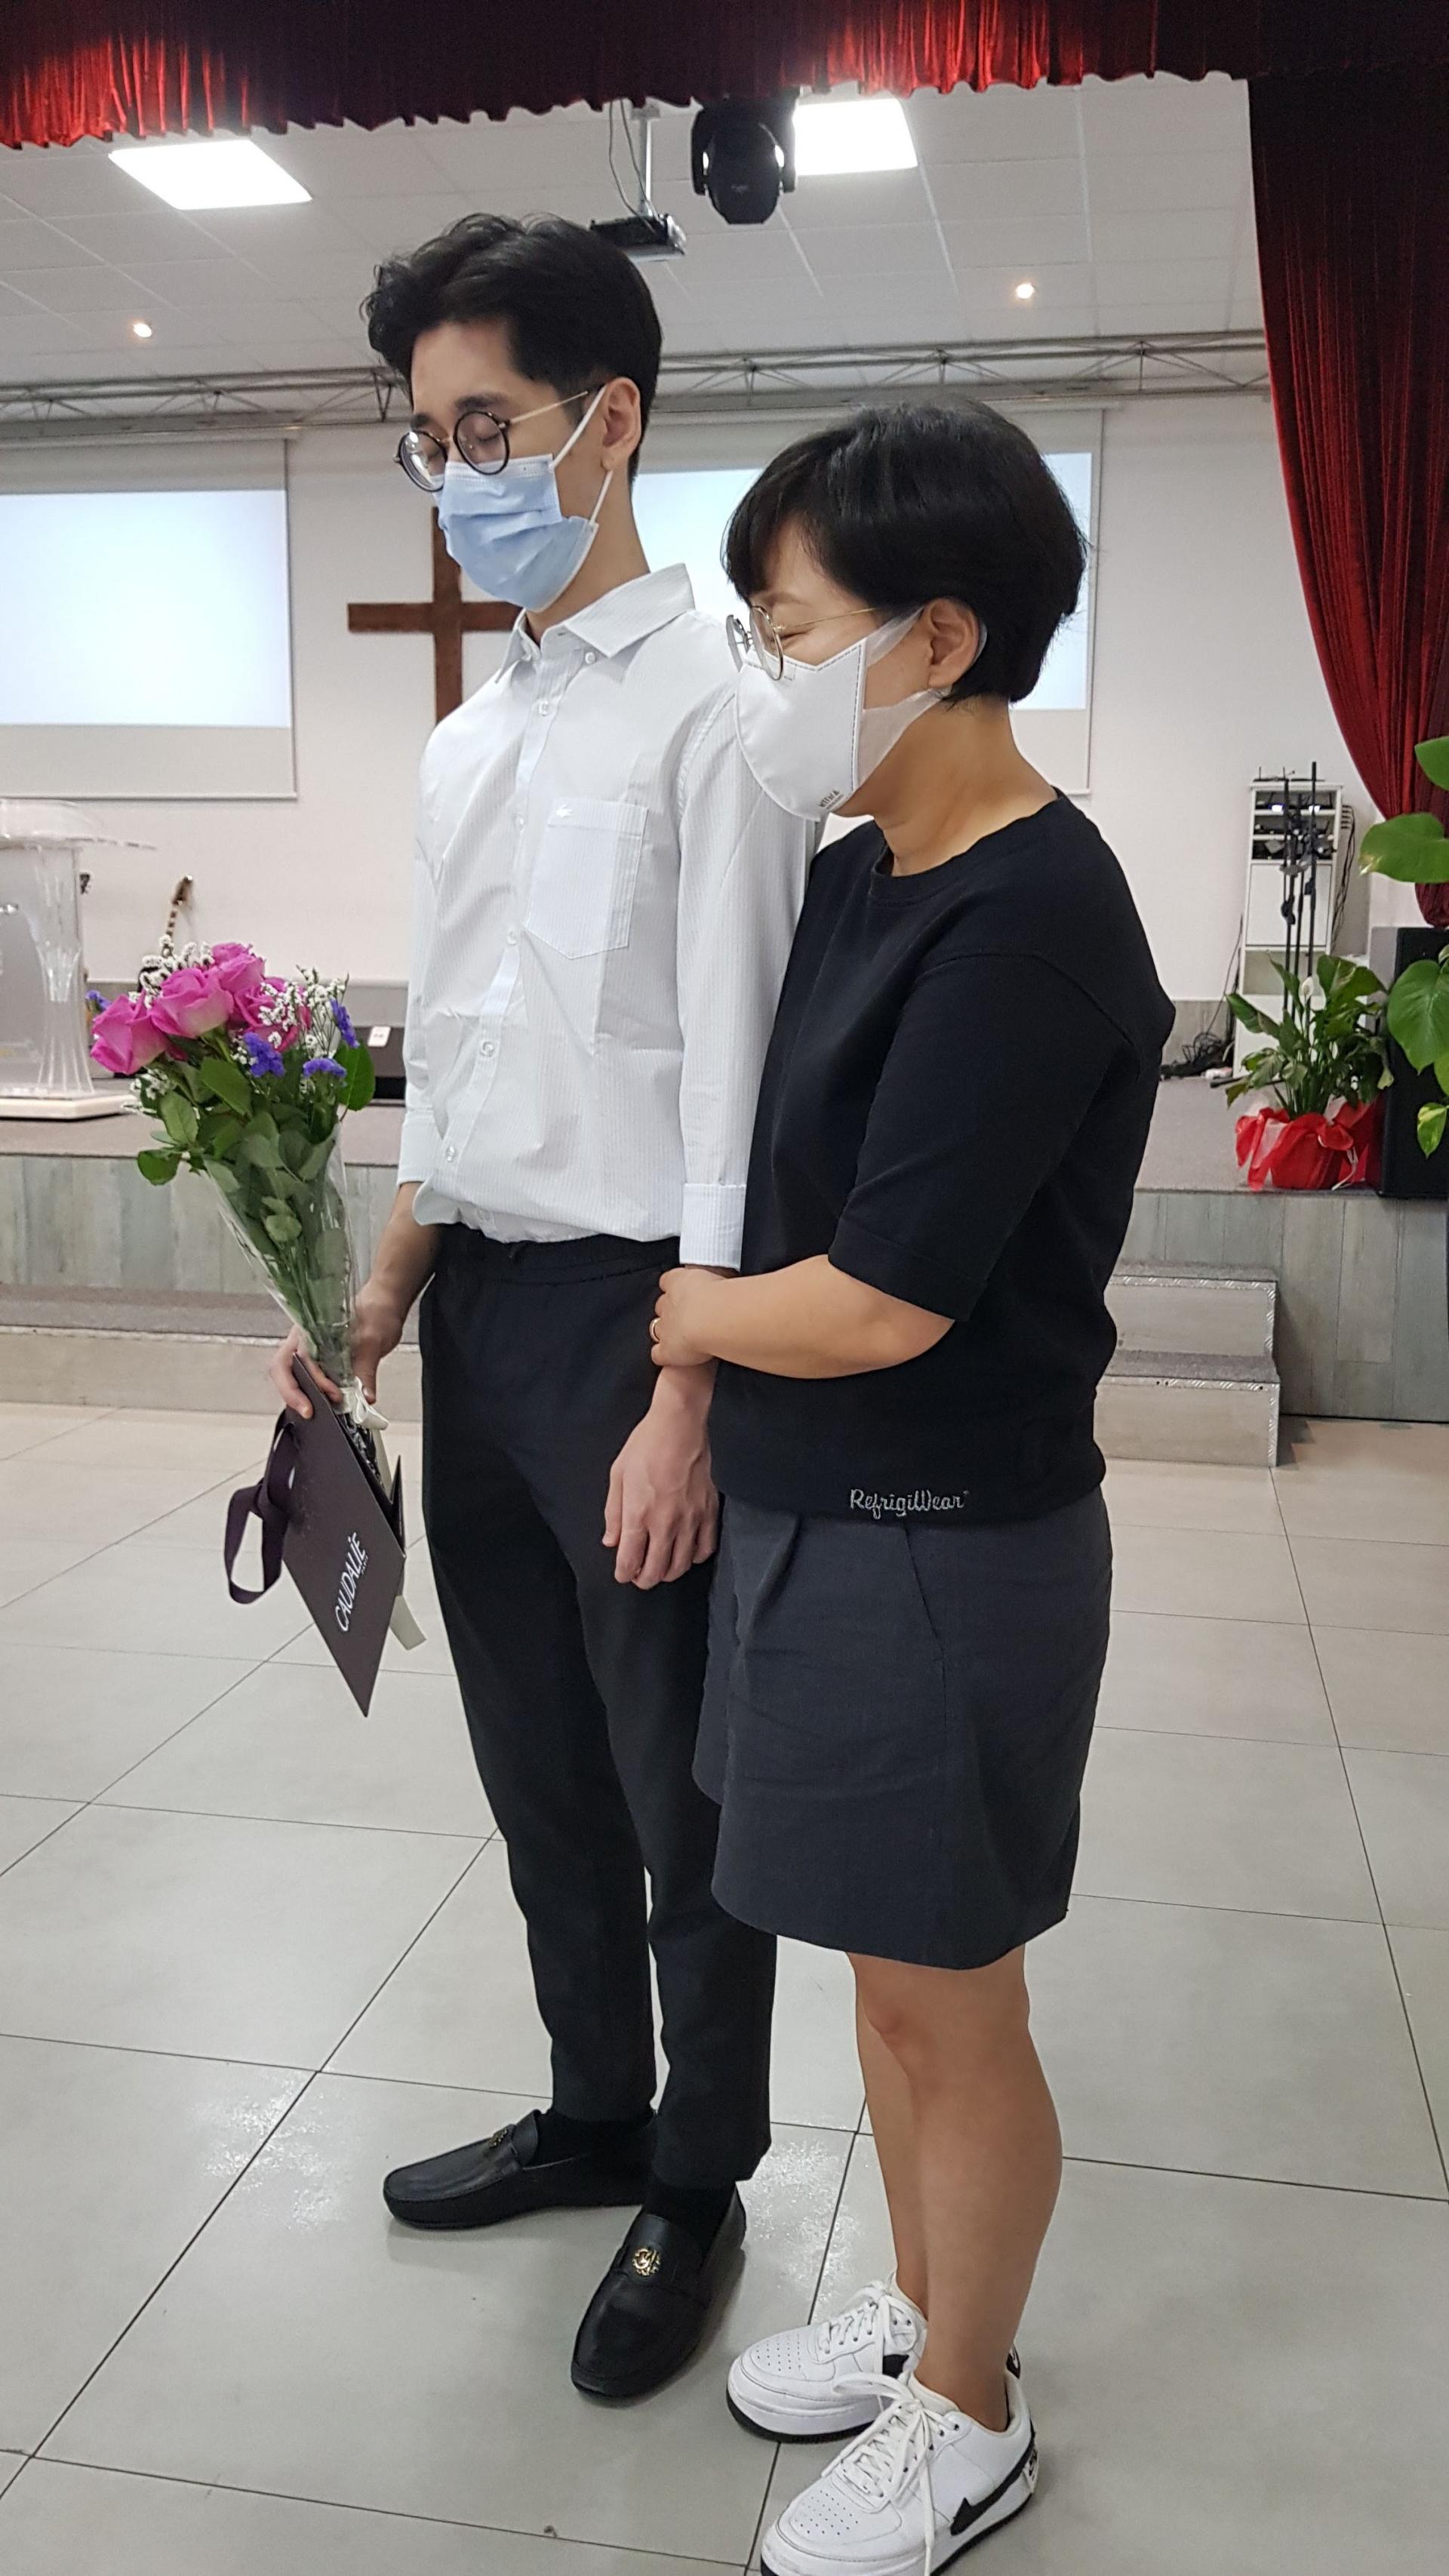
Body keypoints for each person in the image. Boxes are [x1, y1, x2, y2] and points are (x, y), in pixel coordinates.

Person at [269, 214, 811, 2400]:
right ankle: (595, 2105)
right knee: (535, 1758)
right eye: (428, 441)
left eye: (485, 427)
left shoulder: (729, 722)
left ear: (612, 424)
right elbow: (471, 1059)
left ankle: (702, 2170)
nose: (457, 475)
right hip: (483, 1314)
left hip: (635, 1323)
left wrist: (690, 1390)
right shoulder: (470, 741)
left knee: (679, 1781)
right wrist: (380, 1287)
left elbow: (740, 1092)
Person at [649, 403, 1173, 2568]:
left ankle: (972, 2407)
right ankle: (925, 2303)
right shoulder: (871, 866)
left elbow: (880, 1302)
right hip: (821, 1513)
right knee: (881, 1973)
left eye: (788, 635)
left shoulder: (1034, 915)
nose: (767, 679)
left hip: (945, 1544)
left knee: (957, 2002)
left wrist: (687, 1318)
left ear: (939, 638)